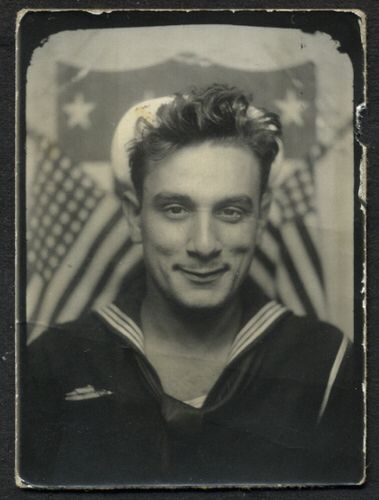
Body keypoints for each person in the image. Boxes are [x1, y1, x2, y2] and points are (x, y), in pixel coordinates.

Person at [19, 84, 362, 487]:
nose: (204, 245)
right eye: (176, 209)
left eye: (231, 211)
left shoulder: (327, 366)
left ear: (261, 217)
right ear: (134, 216)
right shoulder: (52, 364)